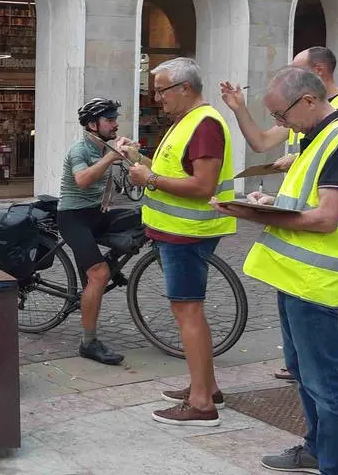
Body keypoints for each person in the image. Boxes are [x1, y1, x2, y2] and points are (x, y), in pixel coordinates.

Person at [212, 66, 338, 475]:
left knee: (326, 384)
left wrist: (250, 214)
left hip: (315, 283)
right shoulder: (316, 137)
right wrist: (269, 203)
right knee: (305, 374)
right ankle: (317, 448)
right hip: (294, 277)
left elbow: (325, 218)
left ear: (309, 100)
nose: (280, 125)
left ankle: (337, 467)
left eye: (281, 116)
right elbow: (307, 202)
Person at [128, 57, 236, 427]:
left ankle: (202, 403)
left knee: (188, 313)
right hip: (177, 231)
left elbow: (202, 186)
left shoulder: (204, 124)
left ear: (185, 88)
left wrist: (150, 180)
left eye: (161, 90)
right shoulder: (187, 123)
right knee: (190, 312)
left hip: (187, 233)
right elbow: (173, 172)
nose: (157, 98)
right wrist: (138, 161)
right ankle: (204, 386)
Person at [57, 98, 141, 365]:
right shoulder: (79, 150)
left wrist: (136, 157)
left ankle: (111, 263)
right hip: (73, 217)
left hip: (98, 214)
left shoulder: (107, 147)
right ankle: (88, 342)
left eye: (115, 119)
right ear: (93, 125)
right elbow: (82, 180)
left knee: (144, 218)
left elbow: (141, 170)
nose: (116, 124)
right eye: (110, 120)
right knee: (99, 274)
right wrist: (110, 158)